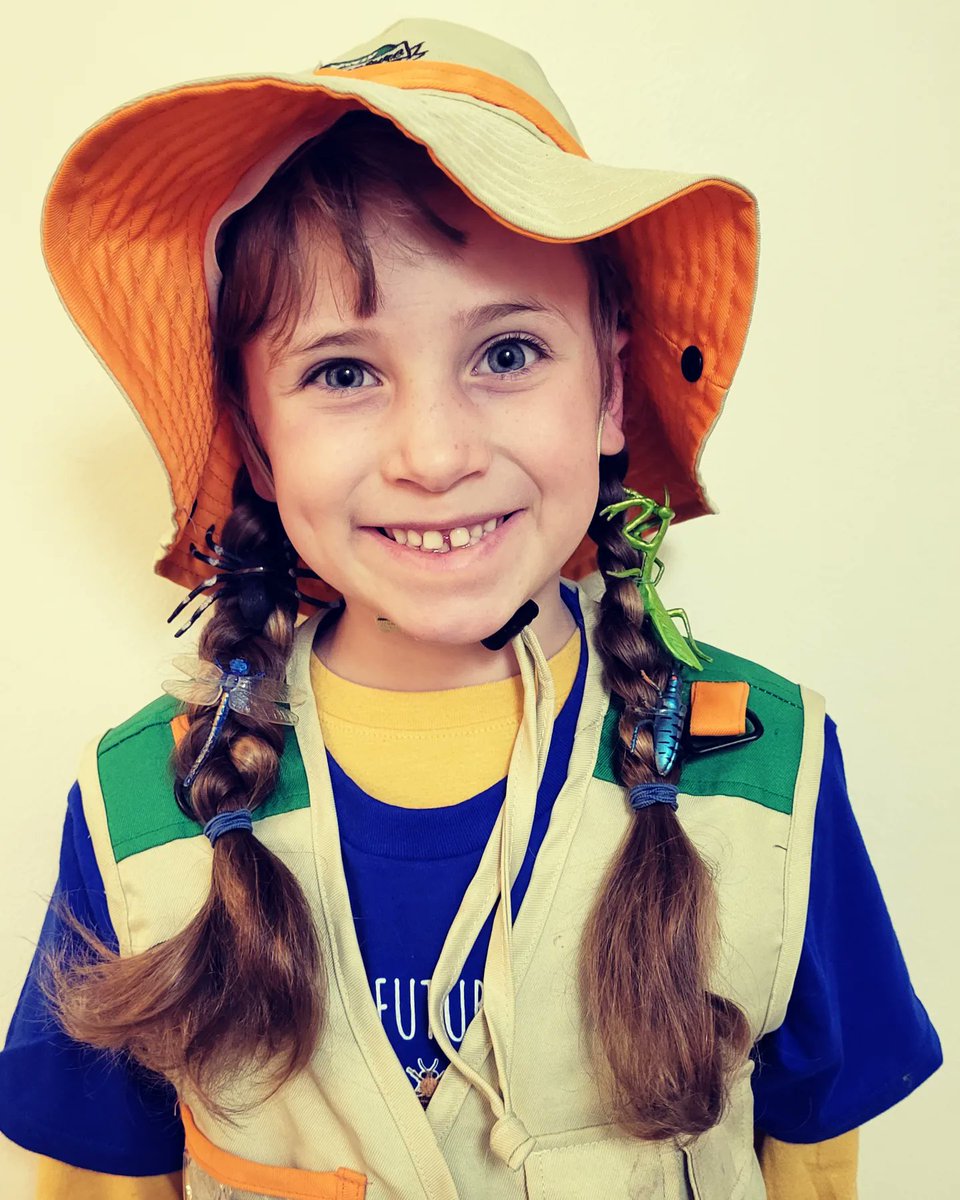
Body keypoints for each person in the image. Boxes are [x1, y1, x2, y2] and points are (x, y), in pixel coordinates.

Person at [0, 17, 941, 1200]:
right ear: (250, 435)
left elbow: (816, 1169)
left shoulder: (768, 770)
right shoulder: (141, 807)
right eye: (343, 372)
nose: (434, 453)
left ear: (610, 387)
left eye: (506, 353)